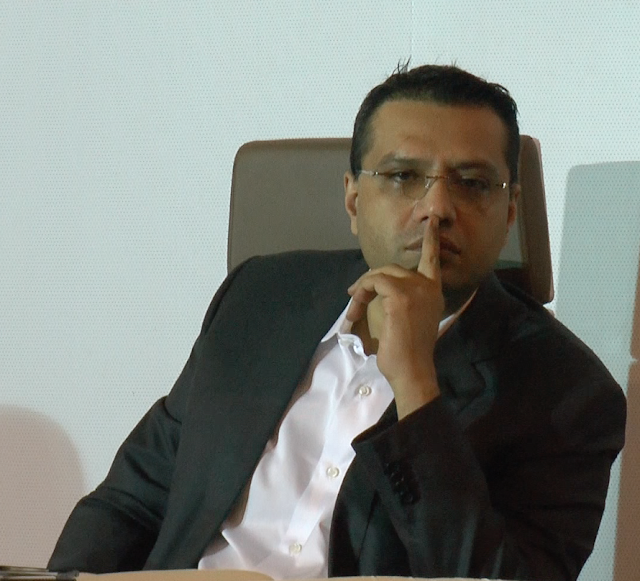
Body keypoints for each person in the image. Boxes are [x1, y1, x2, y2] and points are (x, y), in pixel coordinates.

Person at [48, 64, 626, 581]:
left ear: (510, 211)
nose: (436, 208)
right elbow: (134, 500)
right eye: (403, 176)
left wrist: (416, 387)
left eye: (472, 184)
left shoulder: (569, 396)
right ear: (352, 200)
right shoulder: (259, 298)